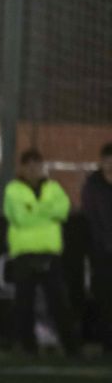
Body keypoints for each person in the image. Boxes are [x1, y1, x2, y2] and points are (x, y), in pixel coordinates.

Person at [3, 148, 81, 357]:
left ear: (41, 167)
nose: (33, 169)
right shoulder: (13, 190)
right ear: (22, 168)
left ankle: (71, 347)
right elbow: (20, 218)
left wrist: (33, 210)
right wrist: (47, 212)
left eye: (36, 164)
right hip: (24, 253)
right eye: (28, 165)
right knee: (24, 304)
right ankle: (28, 347)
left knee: (59, 303)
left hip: (50, 253)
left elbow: (63, 211)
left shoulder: (54, 188)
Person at [80, 142, 112, 353]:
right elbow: (91, 217)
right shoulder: (92, 186)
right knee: (104, 297)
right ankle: (107, 343)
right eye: (107, 161)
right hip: (101, 252)